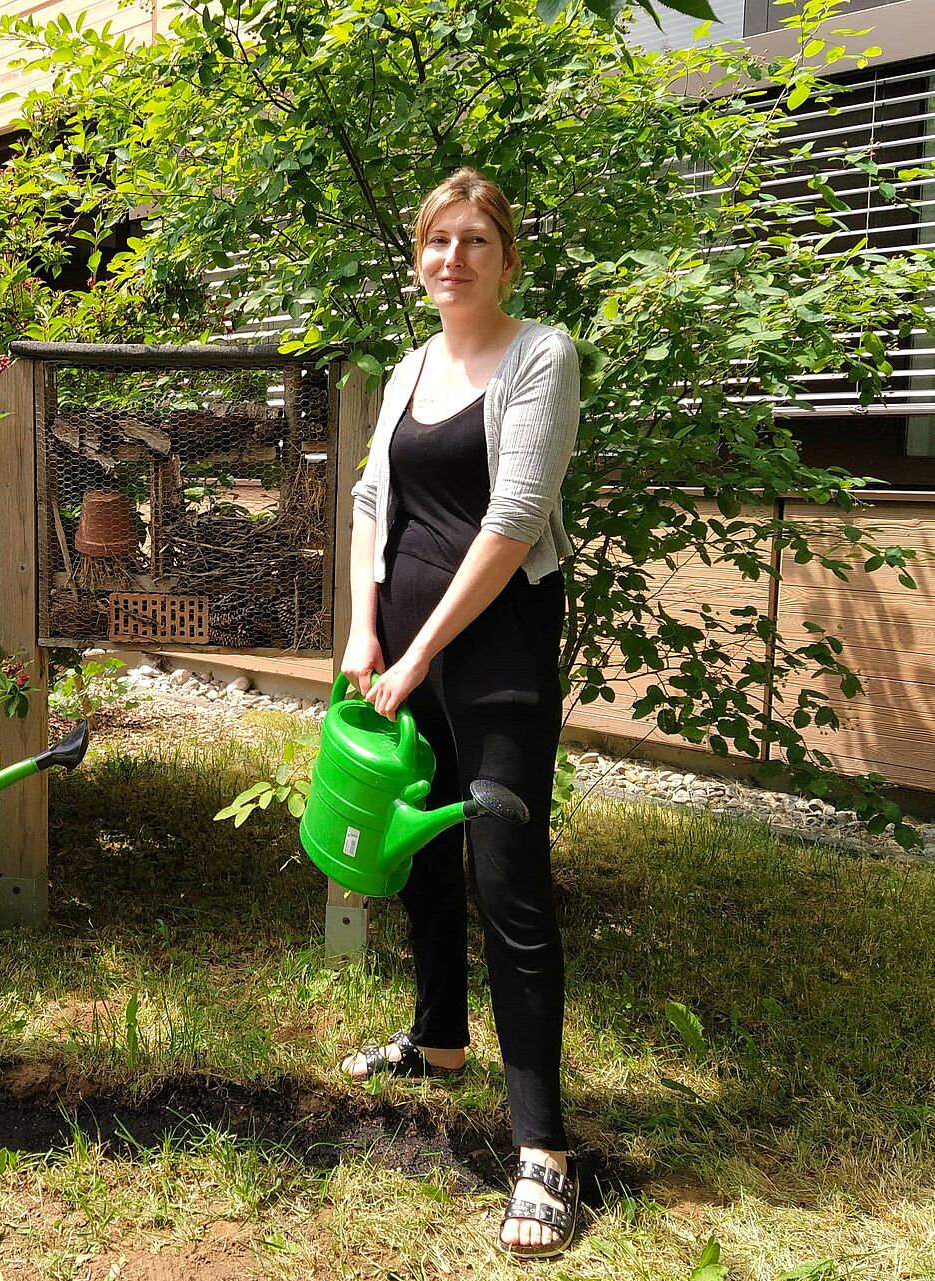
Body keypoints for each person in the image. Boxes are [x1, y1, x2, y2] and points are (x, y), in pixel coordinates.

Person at [338, 168, 583, 1258]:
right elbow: (368, 503)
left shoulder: (541, 355)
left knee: (505, 873)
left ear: (507, 258)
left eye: (476, 241)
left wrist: (422, 648)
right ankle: (438, 1038)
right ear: (419, 258)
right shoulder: (410, 366)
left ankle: (543, 1155)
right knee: (420, 854)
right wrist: (364, 629)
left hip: (496, 650)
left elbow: (519, 514)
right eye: (439, 242)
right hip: (401, 651)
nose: (455, 260)